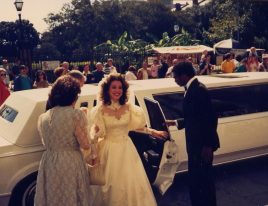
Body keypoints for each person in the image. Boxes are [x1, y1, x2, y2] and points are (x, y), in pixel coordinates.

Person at [90, 73, 168, 206]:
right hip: (108, 152)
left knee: (132, 183)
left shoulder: (131, 108)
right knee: (111, 185)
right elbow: (95, 133)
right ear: (107, 89)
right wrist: (93, 149)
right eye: (114, 87)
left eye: (120, 87)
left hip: (127, 149)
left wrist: (154, 131)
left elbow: (137, 127)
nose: (117, 90)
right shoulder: (99, 110)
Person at [166, 62, 220, 206]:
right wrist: (176, 122)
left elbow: (210, 119)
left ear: (184, 75)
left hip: (202, 147)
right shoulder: (191, 88)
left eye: (175, 76)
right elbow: (194, 117)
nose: (174, 79)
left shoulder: (199, 90)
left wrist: (208, 146)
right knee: (196, 180)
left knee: (204, 182)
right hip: (196, 146)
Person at [35, 75, 92, 206]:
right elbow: (86, 144)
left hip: (49, 162)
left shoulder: (43, 117)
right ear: (74, 96)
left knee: (54, 196)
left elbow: (46, 142)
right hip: (70, 161)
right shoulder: (76, 115)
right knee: (72, 196)